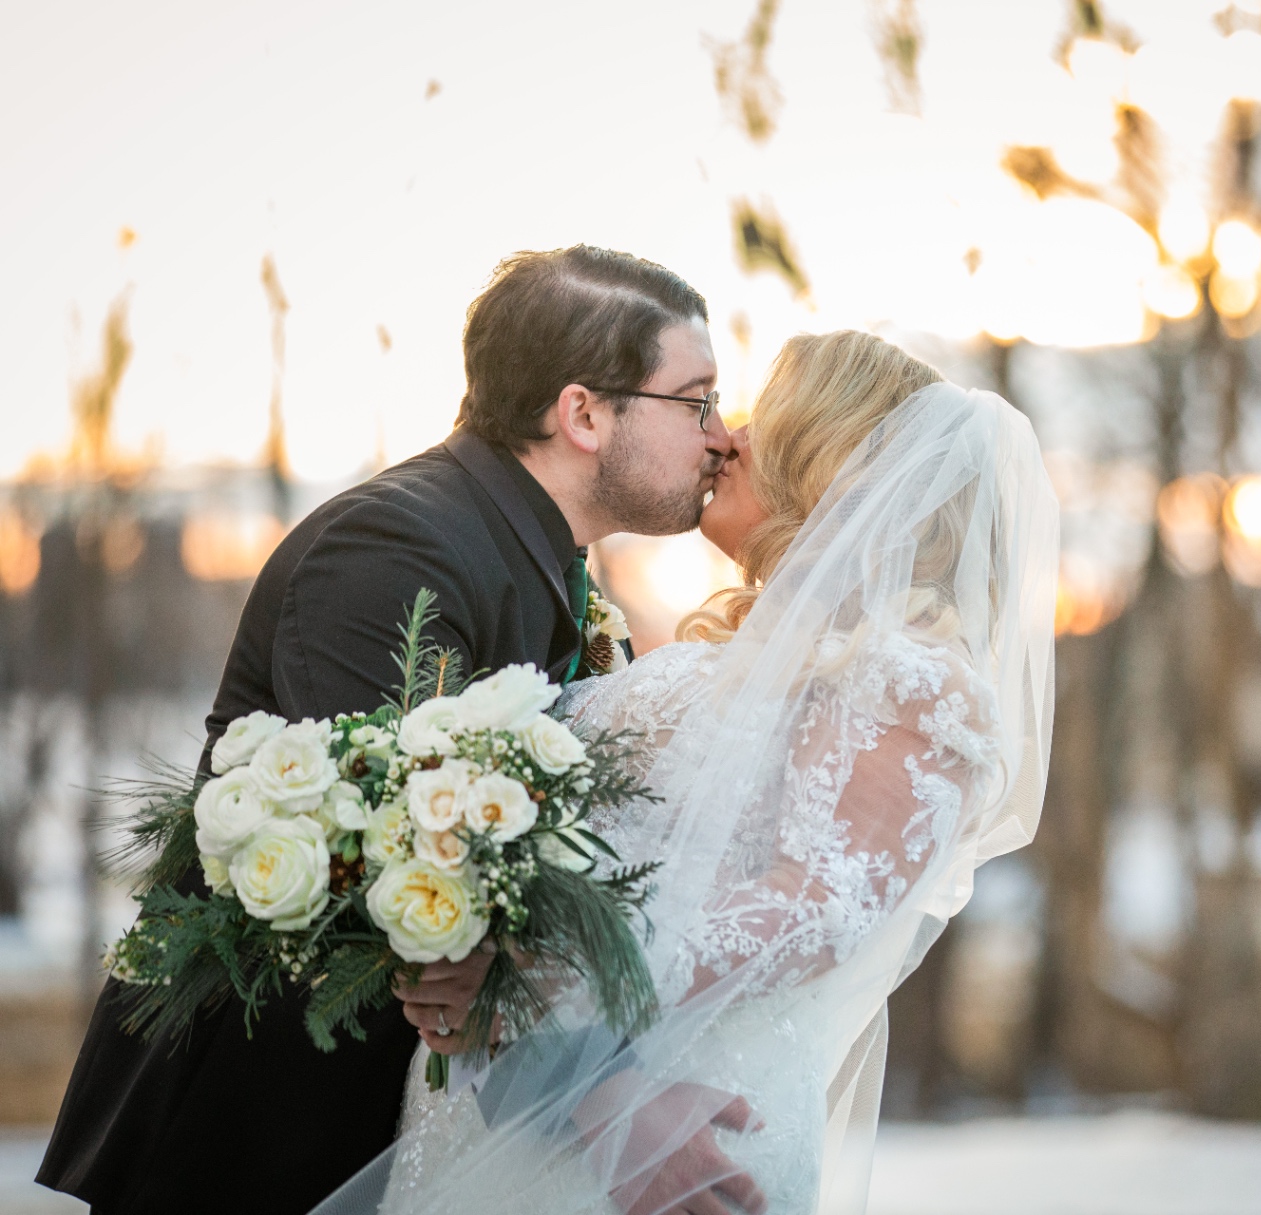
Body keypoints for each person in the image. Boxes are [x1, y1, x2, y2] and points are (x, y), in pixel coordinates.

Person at [37, 245, 758, 1215]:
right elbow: (391, 846)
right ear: (583, 413)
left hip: (399, 1114)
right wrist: (606, 1094)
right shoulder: (397, 546)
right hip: (261, 1126)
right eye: (696, 399)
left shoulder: (530, 555)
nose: (720, 436)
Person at [313, 330, 1060, 1215]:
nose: (727, 438)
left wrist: (537, 975)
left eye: (764, 418)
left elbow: (819, 901)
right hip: (534, 1097)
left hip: (683, 1119)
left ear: (829, 462)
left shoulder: (911, 674)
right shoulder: (751, 654)